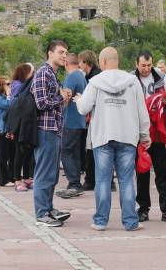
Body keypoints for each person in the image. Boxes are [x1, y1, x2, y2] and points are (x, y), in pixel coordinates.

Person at [77, 47, 151, 232]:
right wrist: (145, 135)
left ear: (102, 62)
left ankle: (101, 221)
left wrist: (78, 100)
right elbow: (142, 111)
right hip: (127, 136)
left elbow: (83, 108)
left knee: (102, 180)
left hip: (103, 136)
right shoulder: (132, 81)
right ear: (117, 61)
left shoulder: (95, 82)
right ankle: (130, 221)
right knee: (126, 180)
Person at [133, 50, 166, 224]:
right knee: (142, 171)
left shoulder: (161, 78)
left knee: (164, 172)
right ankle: (143, 208)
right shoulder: (131, 80)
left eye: (149, 65)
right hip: (139, 132)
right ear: (136, 65)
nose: (146, 69)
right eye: (143, 65)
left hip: (158, 130)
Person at [31, 41, 73, 227]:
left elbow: (53, 103)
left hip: (54, 128)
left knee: (52, 173)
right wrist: (61, 97)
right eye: (61, 52)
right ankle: (42, 213)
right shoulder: (43, 73)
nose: (64, 56)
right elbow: (41, 103)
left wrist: (64, 98)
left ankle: (48, 208)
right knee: (44, 173)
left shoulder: (53, 75)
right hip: (45, 129)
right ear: (50, 53)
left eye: (66, 53)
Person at [57, 53, 88, 199]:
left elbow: (65, 98)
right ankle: (76, 183)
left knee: (66, 152)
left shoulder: (71, 77)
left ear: (66, 64)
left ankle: (74, 183)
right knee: (74, 153)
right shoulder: (82, 77)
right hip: (80, 120)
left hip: (70, 121)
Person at [8, 63, 35, 192]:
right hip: (19, 122)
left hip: (28, 122)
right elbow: (15, 106)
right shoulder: (19, 86)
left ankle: (27, 177)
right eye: (32, 72)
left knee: (28, 151)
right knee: (19, 152)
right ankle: (17, 179)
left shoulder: (25, 86)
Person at [78, 50, 103, 191]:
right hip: (98, 118)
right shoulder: (96, 75)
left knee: (92, 150)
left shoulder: (94, 78)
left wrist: (80, 100)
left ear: (86, 62)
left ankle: (90, 180)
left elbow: (88, 102)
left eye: (80, 62)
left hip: (96, 119)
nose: (79, 65)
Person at [0, 77, 14, 187]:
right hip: (0, 130)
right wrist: (9, 94)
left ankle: (10, 177)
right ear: (1, 85)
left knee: (10, 154)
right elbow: (8, 105)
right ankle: (3, 180)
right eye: (7, 84)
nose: (10, 86)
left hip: (8, 129)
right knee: (3, 155)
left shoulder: (4, 97)